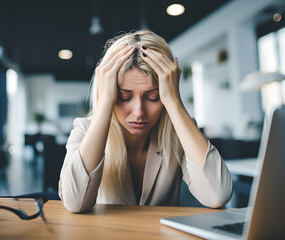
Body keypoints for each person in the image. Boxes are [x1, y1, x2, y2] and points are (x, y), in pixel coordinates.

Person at [58, 30, 233, 213]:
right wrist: (104, 102)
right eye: (124, 97)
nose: (139, 112)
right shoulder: (85, 129)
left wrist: (174, 102)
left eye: (153, 97)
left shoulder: (178, 132)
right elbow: (75, 202)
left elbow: (217, 194)